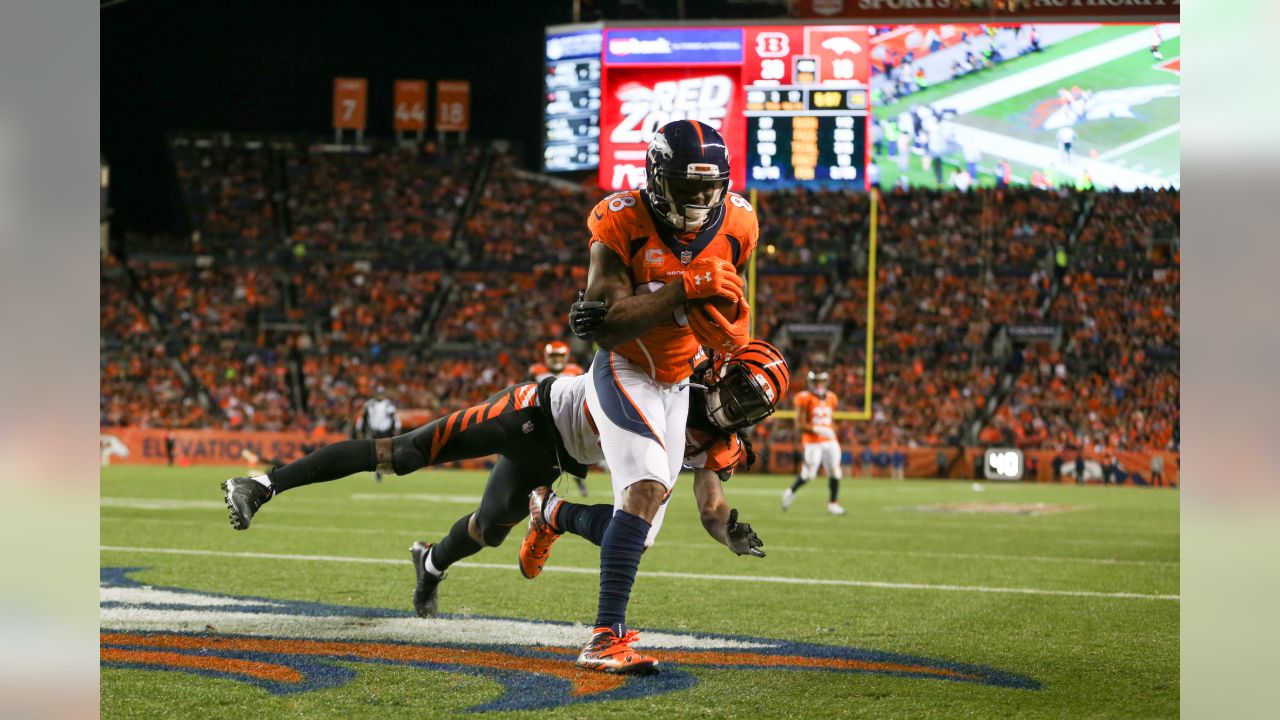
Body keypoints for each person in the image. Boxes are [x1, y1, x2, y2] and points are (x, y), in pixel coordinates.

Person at [220, 341, 786, 654]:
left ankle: (432, 561)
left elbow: (711, 504)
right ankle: (263, 485)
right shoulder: (670, 373)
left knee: (491, 528)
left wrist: (727, 531)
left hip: (558, 460)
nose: (734, 408)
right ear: (718, 369)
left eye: (749, 405)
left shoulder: (720, 442)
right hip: (533, 414)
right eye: (737, 390)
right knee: (407, 453)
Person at [562, 118, 756, 674]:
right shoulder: (620, 220)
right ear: (655, 177)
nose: (698, 198)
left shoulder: (740, 221)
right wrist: (683, 286)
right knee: (645, 490)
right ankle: (604, 638)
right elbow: (607, 329)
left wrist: (724, 352)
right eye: (685, 186)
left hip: (679, 377)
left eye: (707, 187)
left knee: (639, 532)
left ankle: (551, 512)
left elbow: (724, 308)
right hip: (627, 366)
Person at [781, 370, 845, 515]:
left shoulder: (832, 397)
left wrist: (833, 428)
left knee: (835, 471)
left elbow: (831, 420)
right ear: (810, 383)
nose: (818, 385)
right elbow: (799, 425)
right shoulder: (804, 397)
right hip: (813, 441)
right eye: (816, 382)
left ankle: (833, 504)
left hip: (830, 440)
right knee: (809, 475)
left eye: (821, 381)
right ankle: (790, 492)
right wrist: (819, 430)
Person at [530, 341, 589, 496]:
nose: (556, 360)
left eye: (560, 356)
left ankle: (579, 481)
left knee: (572, 452)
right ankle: (541, 485)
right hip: (543, 417)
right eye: (553, 356)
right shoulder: (536, 370)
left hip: (567, 418)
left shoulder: (575, 370)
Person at [355, 387, 401, 482]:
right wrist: (359, 429)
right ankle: (377, 471)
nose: (380, 395)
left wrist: (397, 428)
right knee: (375, 453)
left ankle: (384, 470)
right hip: (373, 431)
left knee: (386, 452)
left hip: (385, 431)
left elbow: (395, 417)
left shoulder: (389, 404)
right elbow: (363, 417)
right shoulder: (369, 404)